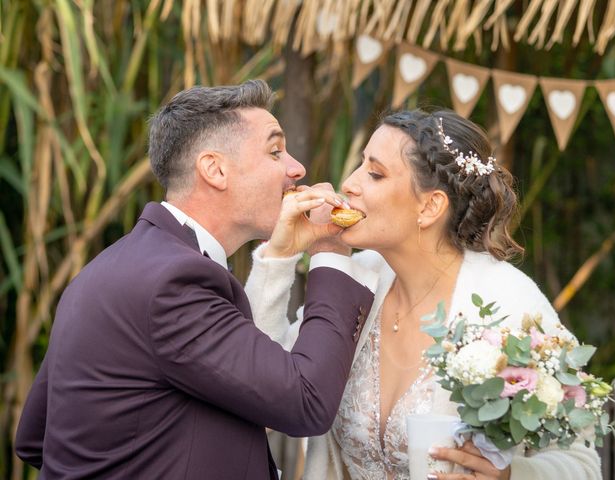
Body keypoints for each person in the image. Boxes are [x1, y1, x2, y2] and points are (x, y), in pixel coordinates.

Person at [15, 80, 378, 479]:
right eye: (275, 151)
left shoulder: (106, 270)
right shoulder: (175, 283)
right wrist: (329, 252)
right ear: (215, 169)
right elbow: (307, 400)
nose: (297, 169)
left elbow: (36, 437)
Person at [245, 109, 602, 479]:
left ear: (430, 207)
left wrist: (512, 475)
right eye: (359, 165)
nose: (348, 184)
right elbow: (264, 382)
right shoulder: (357, 281)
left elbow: (582, 463)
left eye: (375, 173)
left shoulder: (510, 304)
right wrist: (280, 255)